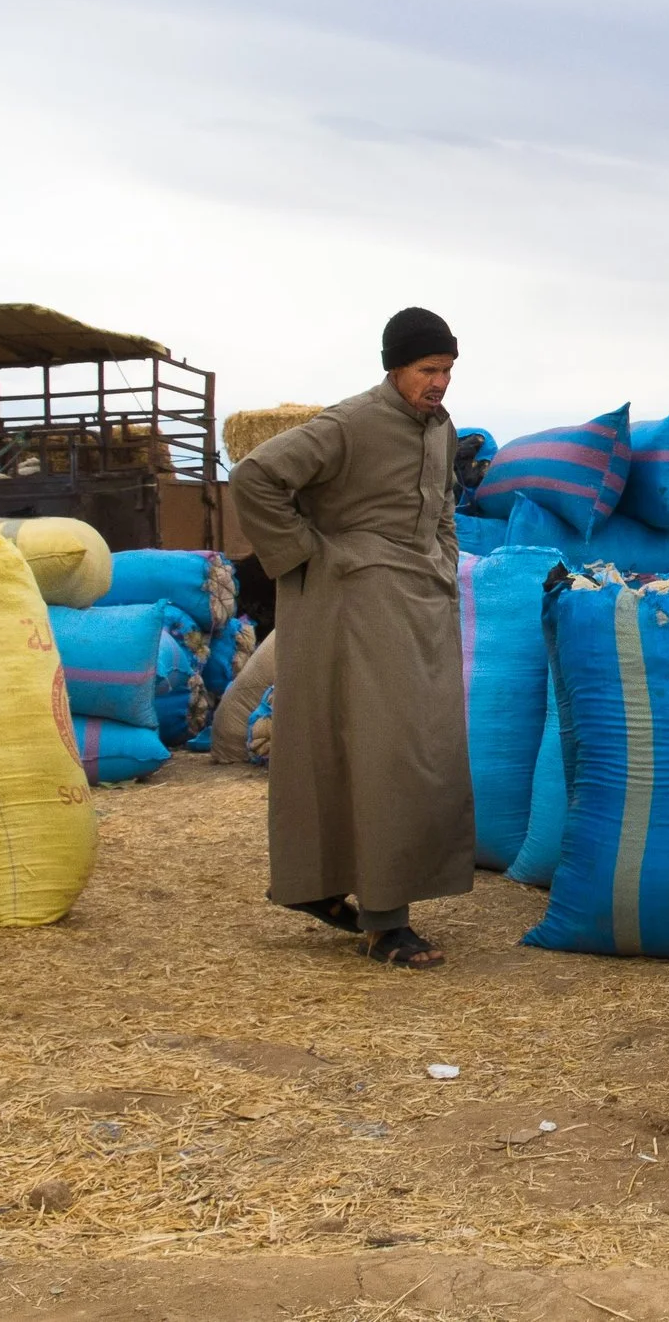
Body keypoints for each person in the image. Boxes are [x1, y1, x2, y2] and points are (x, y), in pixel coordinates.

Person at [227, 308, 472, 969]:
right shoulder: (351, 422)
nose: (439, 383)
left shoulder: (441, 429)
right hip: (354, 611)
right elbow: (256, 477)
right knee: (380, 755)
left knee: (417, 750)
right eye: (428, 370)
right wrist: (309, 555)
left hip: (417, 606)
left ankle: (320, 887)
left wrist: (445, 560)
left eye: (447, 370)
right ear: (395, 366)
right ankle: (387, 922)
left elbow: (441, 503)